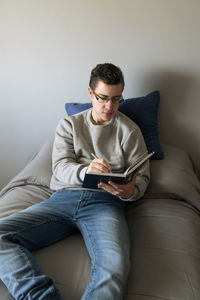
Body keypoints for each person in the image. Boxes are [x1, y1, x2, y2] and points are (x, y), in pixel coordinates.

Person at [0, 63, 150, 300]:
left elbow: (142, 177)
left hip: (106, 203)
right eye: (102, 98)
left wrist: (131, 190)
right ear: (90, 93)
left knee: (115, 267)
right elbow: (60, 167)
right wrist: (85, 171)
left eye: (116, 99)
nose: (109, 106)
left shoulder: (129, 131)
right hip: (63, 198)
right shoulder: (69, 125)